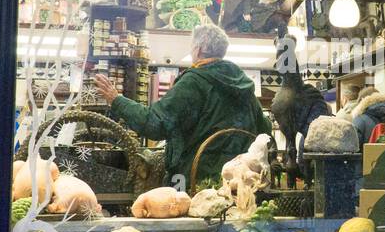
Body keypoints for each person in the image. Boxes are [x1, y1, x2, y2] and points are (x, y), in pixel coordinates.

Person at [94, 22, 270, 186]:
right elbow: (265, 131)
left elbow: (156, 123)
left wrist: (117, 100)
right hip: (239, 183)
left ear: (198, 49)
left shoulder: (193, 82)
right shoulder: (245, 88)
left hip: (196, 182)